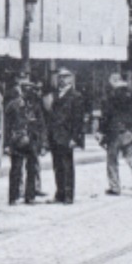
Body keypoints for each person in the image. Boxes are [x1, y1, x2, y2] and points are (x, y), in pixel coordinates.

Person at [44, 68, 88, 205]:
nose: (62, 79)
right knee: (57, 166)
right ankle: (59, 194)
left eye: (65, 77)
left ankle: (69, 195)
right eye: (60, 77)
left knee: (67, 166)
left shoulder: (76, 96)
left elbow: (78, 120)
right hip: (55, 135)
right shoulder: (56, 95)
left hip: (67, 136)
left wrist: (75, 138)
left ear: (71, 78)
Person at [101, 73, 132, 197]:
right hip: (131, 132)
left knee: (112, 161)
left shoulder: (110, 96)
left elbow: (106, 116)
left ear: (114, 81)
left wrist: (101, 131)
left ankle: (115, 187)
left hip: (114, 132)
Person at [5, 75, 45, 205]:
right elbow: (6, 126)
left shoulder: (36, 106)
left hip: (32, 140)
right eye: (25, 89)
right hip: (17, 140)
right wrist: (6, 144)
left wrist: (43, 144)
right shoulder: (12, 106)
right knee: (16, 169)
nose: (28, 91)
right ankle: (13, 196)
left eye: (30, 89)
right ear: (21, 90)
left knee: (32, 169)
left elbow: (41, 125)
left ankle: (30, 196)